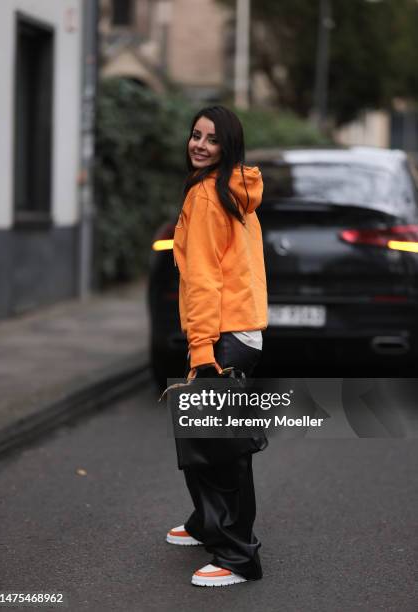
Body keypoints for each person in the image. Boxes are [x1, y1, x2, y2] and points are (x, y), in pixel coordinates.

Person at [166, 105, 268, 587]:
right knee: (206, 439)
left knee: (219, 451)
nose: (200, 145)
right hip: (240, 331)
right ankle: (208, 524)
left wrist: (203, 349)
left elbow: (205, 279)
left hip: (222, 335)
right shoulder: (236, 191)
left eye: (211, 139)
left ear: (227, 147)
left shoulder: (209, 196)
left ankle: (237, 556)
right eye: (195, 135)